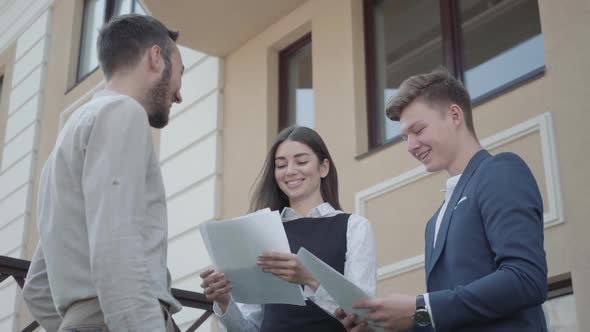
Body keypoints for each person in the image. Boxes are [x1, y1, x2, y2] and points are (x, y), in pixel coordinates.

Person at [337, 68, 548, 332]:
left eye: (418, 130)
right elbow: (448, 316)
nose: (410, 146)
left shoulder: (500, 170)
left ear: (455, 115)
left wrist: (420, 307)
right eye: (404, 137)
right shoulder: (434, 222)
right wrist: (383, 326)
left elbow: (526, 278)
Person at [22, 14, 185, 331]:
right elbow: (117, 245)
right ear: (155, 57)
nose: (179, 93)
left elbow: (37, 287)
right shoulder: (124, 112)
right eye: (180, 72)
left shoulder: (63, 147)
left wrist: (79, 323)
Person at [200, 126, 377, 332]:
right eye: (281, 165)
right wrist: (224, 302)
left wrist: (310, 279)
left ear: (323, 167)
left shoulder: (354, 227)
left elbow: (364, 318)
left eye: (301, 161)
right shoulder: (260, 232)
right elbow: (249, 328)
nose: (290, 171)